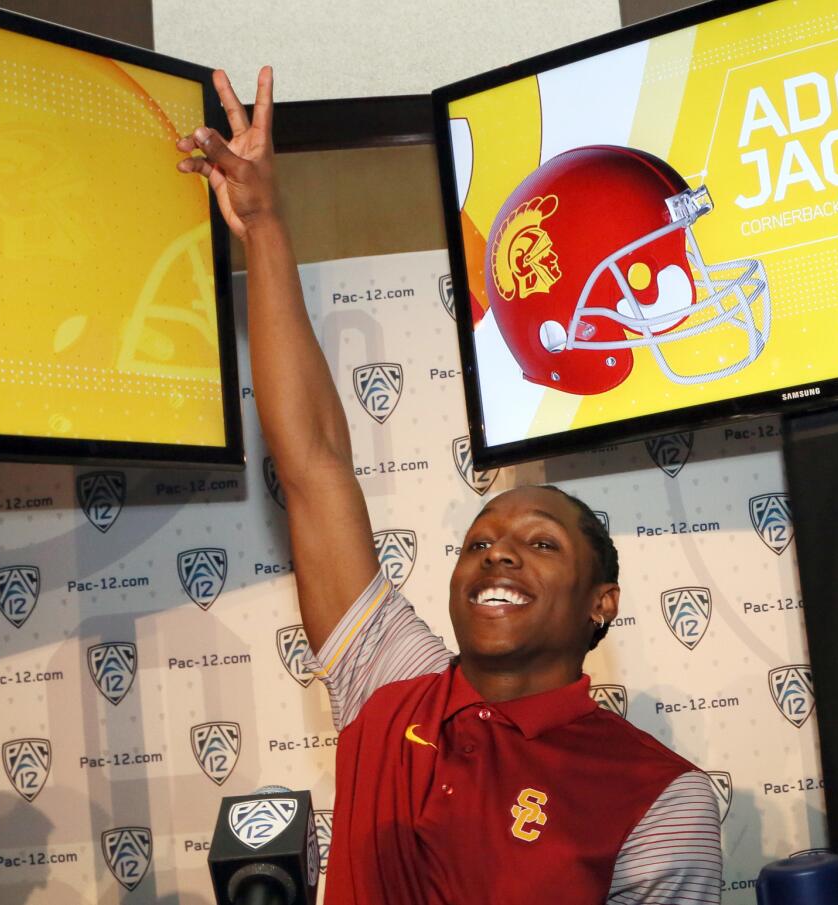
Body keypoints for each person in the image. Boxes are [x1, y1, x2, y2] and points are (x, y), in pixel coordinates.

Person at [176, 66, 721, 904]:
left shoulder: (662, 798)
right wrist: (264, 227)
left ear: (600, 602)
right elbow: (314, 464)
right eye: (479, 543)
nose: (497, 555)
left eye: (540, 543)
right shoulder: (387, 681)